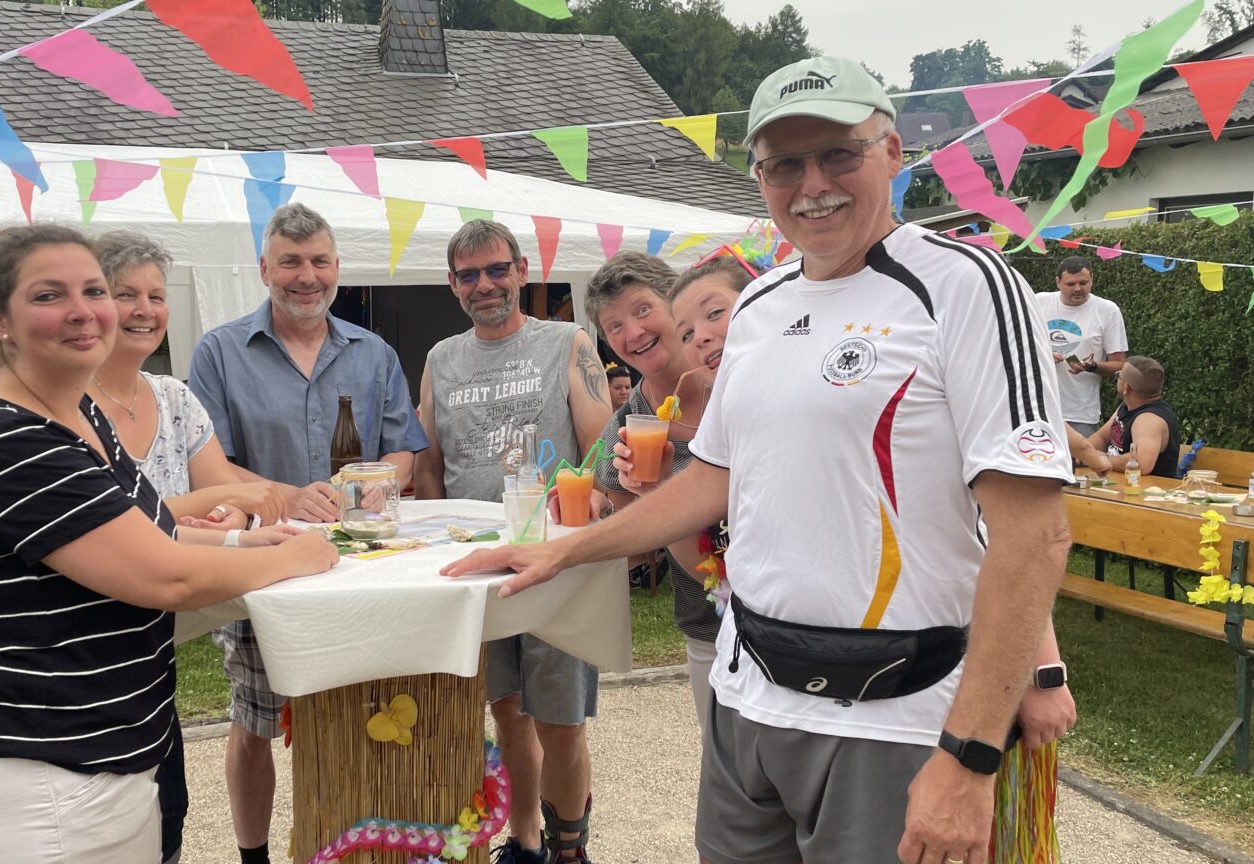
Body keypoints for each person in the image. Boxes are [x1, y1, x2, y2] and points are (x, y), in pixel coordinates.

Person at [443, 56, 1075, 864]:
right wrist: (562, 551)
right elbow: (713, 479)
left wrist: (971, 754)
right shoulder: (763, 306)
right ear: (759, 178)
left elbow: (1034, 535)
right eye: (784, 164)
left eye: (838, 153)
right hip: (748, 697)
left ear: (892, 152)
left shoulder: (968, 285)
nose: (812, 184)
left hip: (892, 711)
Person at [0, 223, 338, 863]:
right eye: (49, 295)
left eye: (92, 290)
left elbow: (151, 529)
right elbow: (167, 576)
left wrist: (246, 545)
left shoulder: (77, 417)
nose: (83, 311)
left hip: (99, 762)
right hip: (35, 777)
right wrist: (295, 555)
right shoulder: (9, 438)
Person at [188, 203, 428, 864]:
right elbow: (207, 464)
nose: (306, 276)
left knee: (361, 710)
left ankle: (357, 843)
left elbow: (405, 449)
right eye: (291, 262)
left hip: (363, 566)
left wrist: (379, 481)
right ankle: (255, 857)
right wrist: (283, 495)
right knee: (255, 719)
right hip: (264, 567)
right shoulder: (219, 352)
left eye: (319, 261)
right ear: (265, 269)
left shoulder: (373, 353)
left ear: (337, 268)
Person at [414, 219, 613, 864]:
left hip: (553, 562)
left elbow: (603, 447)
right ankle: (525, 842)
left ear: (522, 271)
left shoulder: (566, 341)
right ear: (452, 284)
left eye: (497, 269)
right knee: (505, 713)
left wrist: (591, 508)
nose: (485, 285)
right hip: (476, 567)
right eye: (469, 275)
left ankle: (569, 849)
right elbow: (428, 464)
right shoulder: (440, 359)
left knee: (560, 721)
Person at [88, 229, 285, 864]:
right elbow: (120, 527)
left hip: (145, 645)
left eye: (156, 296)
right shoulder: (66, 405)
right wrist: (234, 527)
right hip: (71, 651)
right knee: (100, 820)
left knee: (165, 810)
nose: (145, 309)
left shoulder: (173, 396)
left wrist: (238, 508)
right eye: (126, 294)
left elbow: (223, 488)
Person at [584, 252, 722, 732]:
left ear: (676, 303)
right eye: (614, 326)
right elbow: (634, 541)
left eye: (643, 309)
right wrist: (598, 508)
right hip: (709, 627)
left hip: (796, 619)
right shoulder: (628, 426)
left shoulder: (739, 385)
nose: (633, 332)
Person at [1035, 257, 1128, 437]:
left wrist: (1092, 366)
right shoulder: (1039, 302)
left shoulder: (1107, 310)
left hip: (1080, 413)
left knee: (1082, 456)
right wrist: (1043, 356)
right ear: (1058, 282)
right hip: (1038, 407)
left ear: (1092, 279)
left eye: (1083, 283)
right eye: (1070, 284)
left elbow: (1120, 364)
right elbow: (1018, 346)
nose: (1078, 288)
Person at [1088, 355, 1181, 479]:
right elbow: (1102, 437)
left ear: (1126, 387)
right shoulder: (1127, 406)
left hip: (1146, 489)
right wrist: (1083, 454)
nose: (1117, 379)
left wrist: (1098, 459)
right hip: (1120, 483)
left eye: (1119, 376)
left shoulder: (1149, 420)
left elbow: (1141, 463)